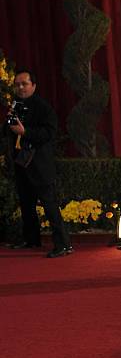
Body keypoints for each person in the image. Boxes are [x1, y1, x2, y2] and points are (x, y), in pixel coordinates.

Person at [3, 69, 72, 257]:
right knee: (26, 204)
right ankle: (31, 239)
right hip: (21, 161)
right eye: (17, 84)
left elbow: (49, 133)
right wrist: (9, 122)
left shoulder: (43, 107)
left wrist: (25, 132)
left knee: (49, 204)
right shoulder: (16, 104)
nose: (20, 87)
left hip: (39, 163)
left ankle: (63, 244)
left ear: (33, 85)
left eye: (24, 84)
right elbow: (9, 129)